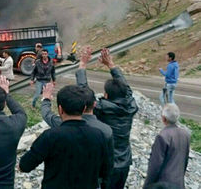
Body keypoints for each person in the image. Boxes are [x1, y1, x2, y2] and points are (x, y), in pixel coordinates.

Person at [40, 46, 114, 188]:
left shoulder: (60, 126)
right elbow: (107, 167)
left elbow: (47, 115)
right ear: (94, 104)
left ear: (62, 109)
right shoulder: (105, 130)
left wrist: (46, 99)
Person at [19, 85, 111, 189]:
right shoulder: (99, 135)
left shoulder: (50, 136)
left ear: (60, 109)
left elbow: (24, 166)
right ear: (84, 108)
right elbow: (106, 170)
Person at [84, 48, 138, 189]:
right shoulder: (130, 106)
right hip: (124, 163)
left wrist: (82, 66)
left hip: (106, 164)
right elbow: (127, 90)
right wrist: (111, 65)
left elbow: (83, 94)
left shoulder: (102, 109)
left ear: (106, 95)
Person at [143, 103, 190, 189]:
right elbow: (185, 160)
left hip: (163, 184)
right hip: (179, 183)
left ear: (164, 118)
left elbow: (155, 165)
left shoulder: (162, 136)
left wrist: (147, 185)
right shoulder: (185, 134)